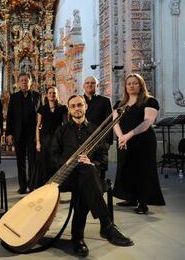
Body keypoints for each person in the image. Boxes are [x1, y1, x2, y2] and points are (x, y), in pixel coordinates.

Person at [50, 95, 134, 257]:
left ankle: (78, 238)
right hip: (67, 177)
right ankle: (106, 225)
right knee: (85, 178)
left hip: (90, 176)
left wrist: (91, 163)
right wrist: (67, 161)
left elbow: (103, 160)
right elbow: (53, 156)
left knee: (86, 176)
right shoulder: (62, 130)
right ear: (69, 109)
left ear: (85, 107)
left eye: (79, 105)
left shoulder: (96, 131)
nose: (76, 108)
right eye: (73, 106)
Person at [113, 73, 165, 214]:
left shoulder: (149, 101)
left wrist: (128, 135)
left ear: (141, 85)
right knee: (126, 169)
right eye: (129, 83)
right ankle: (130, 198)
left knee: (143, 171)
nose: (131, 85)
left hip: (143, 141)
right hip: (124, 141)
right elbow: (115, 123)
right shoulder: (120, 104)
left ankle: (143, 203)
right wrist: (121, 137)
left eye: (135, 83)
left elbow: (147, 122)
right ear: (125, 87)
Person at [5, 73, 41, 194]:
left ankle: (32, 186)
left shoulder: (37, 96)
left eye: (26, 80)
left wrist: (39, 135)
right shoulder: (14, 97)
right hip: (18, 133)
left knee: (32, 161)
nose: (24, 82)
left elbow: (40, 115)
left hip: (32, 134)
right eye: (22, 80)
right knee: (20, 161)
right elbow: (10, 116)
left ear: (31, 82)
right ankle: (22, 186)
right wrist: (8, 134)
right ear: (18, 83)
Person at [31, 86, 67, 189]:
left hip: (57, 140)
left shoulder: (62, 108)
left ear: (57, 95)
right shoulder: (42, 109)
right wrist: (37, 142)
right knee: (43, 163)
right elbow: (38, 126)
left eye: (54, 93)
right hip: (45, 140)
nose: (52, 95)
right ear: (47, 95)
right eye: (50, 93)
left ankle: (55, 187)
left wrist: (65, 140)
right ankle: (42, 188)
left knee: (55, 163)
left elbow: (65, 125)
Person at [83, 76, 113, 178]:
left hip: (100, 142)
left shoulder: (105, 101)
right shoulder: (79, 101)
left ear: (97, 85)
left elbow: (110, 122)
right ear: (83, 85)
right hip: (82, 141)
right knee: (82, 171)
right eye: (87, 83)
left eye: (92, 83)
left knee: (99, 172)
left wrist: (108, 142)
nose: (90, 85)